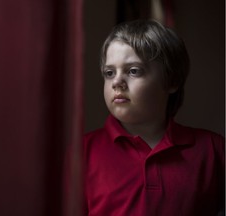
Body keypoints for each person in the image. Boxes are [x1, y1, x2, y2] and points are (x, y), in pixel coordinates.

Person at [83, 19, 225, 216]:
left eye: (133, 71)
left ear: (172, 81)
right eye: (109, 72)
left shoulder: (214, 150)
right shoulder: (81, 153)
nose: (117, 82)